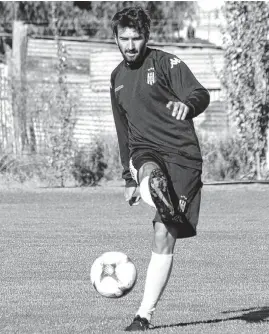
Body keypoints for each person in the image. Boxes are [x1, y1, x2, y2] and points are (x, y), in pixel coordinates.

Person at [109, 6, 210, 331]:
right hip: (145, 152)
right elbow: (123, 132)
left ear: (146, 38)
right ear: (116, 38)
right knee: (150, 174)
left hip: (181, 156)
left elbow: (200, 93)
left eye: (136, 38)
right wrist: (128, 177)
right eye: (124, 38)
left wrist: (188, 105)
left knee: (163, 234)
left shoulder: (166, 64)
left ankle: (143, 316)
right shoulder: (116, 78)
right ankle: (153, 189)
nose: (130, 45)